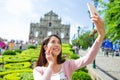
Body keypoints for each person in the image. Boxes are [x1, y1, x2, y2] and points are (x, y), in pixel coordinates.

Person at [33, 13, 105, 80]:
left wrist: (100, 36)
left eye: (59, 42)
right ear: (45, 47)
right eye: (53, 42)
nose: (57, 45)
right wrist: (51, 64)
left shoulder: (67, 65)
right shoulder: (38, 70)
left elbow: (88, 59)